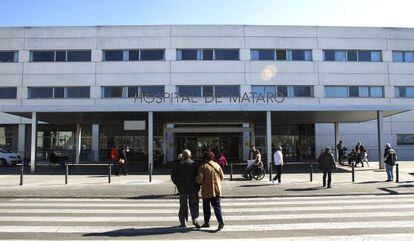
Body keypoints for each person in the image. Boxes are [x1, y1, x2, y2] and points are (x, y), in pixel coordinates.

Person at [171, 149, 201, 228]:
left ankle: (183, 222)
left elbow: (173, 176)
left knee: (183, 206)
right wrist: (199, 184)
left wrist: (178, 184)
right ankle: (195, 219)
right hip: (194, 188)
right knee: (194, 204)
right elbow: (199, 176)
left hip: (182, 189)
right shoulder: (195, 164)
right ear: (190, 156)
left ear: (182, 156)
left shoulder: (178, 165)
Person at [196, 151, 225, 230]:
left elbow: (199, 179)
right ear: (212, 157)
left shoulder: (203, 166)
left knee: (206, 207)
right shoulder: (216, 164)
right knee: (217, 207)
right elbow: (222, 176)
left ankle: (206, 222)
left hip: (207, 190)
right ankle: (220, 222)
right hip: (216, 189)